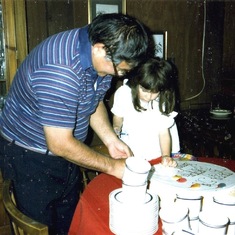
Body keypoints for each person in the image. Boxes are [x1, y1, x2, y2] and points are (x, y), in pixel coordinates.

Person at [0, 13, 149, 234]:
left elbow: (92, 100)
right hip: (29, 154)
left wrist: (111, 140)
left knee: (67, 224)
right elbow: (59, 144)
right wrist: (112, 167)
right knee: (41, 227)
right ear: (100, 49)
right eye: (119, 70)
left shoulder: (99, 52)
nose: (118, 74)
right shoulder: (61, 70)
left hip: (63, 150)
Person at [111, 57, 180, 166]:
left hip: (157, 150)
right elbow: (118, 116)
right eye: (144, 90)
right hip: (131, 147)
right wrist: (116, 128)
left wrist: (165, 155)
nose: (148, 96)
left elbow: (163, 132)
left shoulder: (162, 100)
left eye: (154, 92)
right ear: (137, 82)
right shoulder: (124, 93)